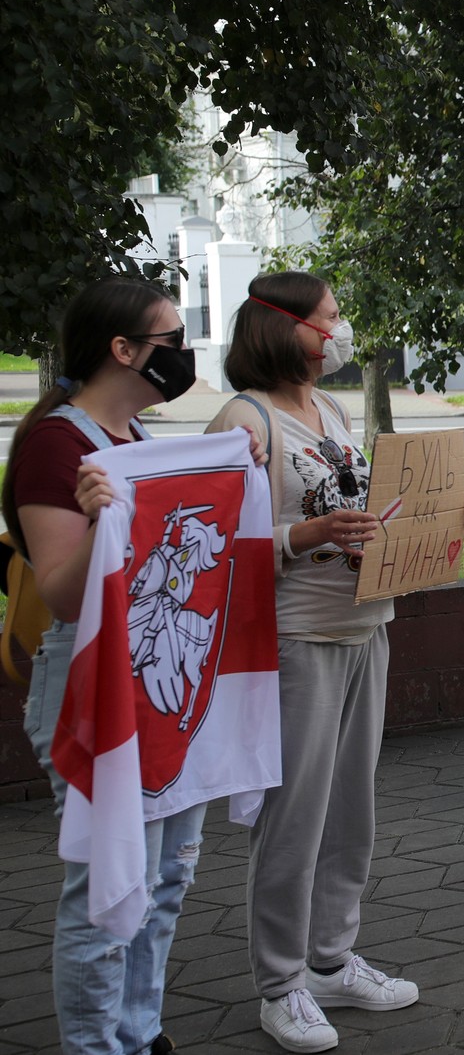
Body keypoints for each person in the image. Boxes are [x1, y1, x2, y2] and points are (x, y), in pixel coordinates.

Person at [207, 272, 464, 1052]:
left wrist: (439, 511)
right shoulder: (241, 420)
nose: (341, 329)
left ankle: (330, 959)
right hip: (299, 641)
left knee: (352, 812)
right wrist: (304, 537)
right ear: (284, 328)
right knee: (295, 819)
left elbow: (364, 506)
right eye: (330, 318)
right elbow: (215, 545)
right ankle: (279, 983)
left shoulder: (329, 409)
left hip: (365, 630)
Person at [8, 278, 218, 1055]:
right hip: (93, 689)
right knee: (109, 885)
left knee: (166, 877)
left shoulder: (134, 442)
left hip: (152, 684)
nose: (184, 354)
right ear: (123, 351)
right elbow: (64, 597)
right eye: (170, 339)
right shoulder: (57, 447)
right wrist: (101, 522)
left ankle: (139, 1027)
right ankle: (96, 1044)